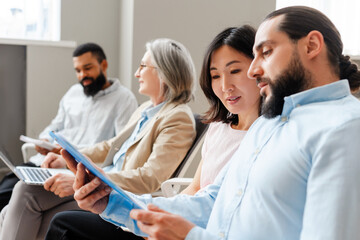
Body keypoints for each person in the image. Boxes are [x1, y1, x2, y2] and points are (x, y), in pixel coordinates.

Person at [61, 6, 360, 240]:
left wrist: (190, 237)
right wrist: (113, 202)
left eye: (266, 52)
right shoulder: (268, 125)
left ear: (311, 46)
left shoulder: (343, 130)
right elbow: (212, 201)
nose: (254, 70)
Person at [45, 25, 261, 239]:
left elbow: (153, 178)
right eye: (215, 76)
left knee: (58, 220)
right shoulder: (217, 127)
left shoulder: (263, 137)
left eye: (234, 71)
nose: (225, 86)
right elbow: (197, 192)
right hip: (152, 210)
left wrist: (112, 189)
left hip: (179, 219)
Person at [0, 38, 196, 240]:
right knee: (11, 210)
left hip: (114, 194)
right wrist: (67, 160)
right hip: (100, 187)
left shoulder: (178, 118)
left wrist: (97, 181)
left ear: (164, 72)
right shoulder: (145, 109)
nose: (137, 73)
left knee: (25, 194)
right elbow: (110, 146)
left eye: (143, 66)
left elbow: (150, 178)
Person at [0, 42, 138, 210]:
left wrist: (65, 153)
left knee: (12, 196)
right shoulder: (73, 93)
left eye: (87, 68)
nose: (82, 75)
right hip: (44, 163)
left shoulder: (123, 99)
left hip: (72, 169)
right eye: (78, 71)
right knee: (6, 185)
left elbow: (118, 148)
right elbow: (54, 126)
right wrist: (44, 140)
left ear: (104, 65)